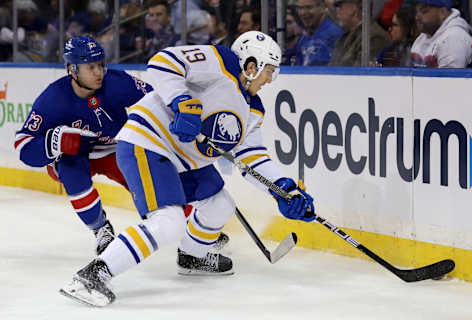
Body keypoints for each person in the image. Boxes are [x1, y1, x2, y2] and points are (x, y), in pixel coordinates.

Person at [59, 31, 316, 307]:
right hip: (148, 143)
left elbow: (252, 157)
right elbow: (162, 62)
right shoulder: (222, 62)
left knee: (220, 205)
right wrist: (181, 101)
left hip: (184, 162)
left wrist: (283, 189)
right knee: (169, 222)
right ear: (251, 66)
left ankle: (192, 256)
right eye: (269, 72)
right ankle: (93, 275)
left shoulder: (254, 109)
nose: (269, 80)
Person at [14, 35, 152, 255]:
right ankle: (101, 230)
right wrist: (55, 142)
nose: (98, 72)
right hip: (76, 155)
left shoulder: (116, 82)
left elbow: (156, 99)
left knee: (148, 181)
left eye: (100, 65)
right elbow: (23, 146)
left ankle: (182, 225)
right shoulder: (53, 98)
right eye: (90, 67)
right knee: (71, 172)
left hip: (115, 149)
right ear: (73, 70)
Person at [410, 0, 472, 68]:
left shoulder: (453, 38)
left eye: (423, 11)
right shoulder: (423, 37)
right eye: (416, 11)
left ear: (442, 13)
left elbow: (449, 77)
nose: (417, 17)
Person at [329, 0, 391, 66]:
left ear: (354, 8)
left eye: (340, 6)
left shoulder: (374, 37)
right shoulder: (345, 36)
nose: (337, 10)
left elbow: (360, 73)